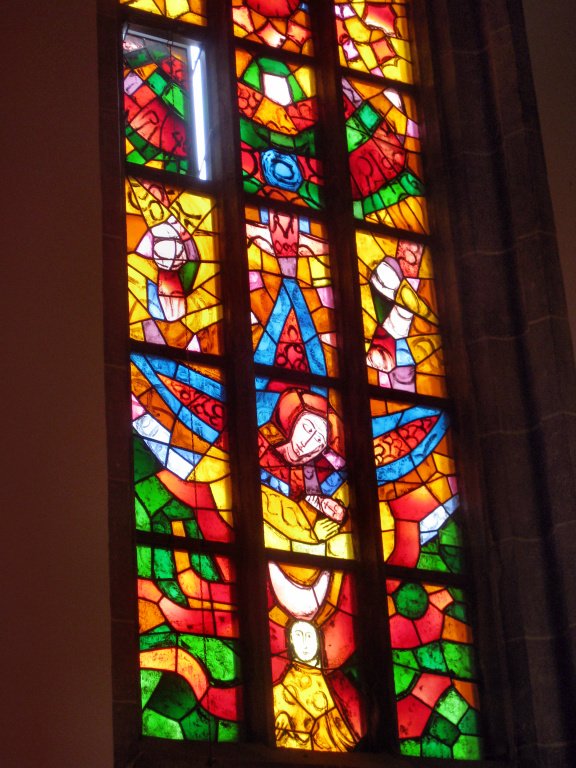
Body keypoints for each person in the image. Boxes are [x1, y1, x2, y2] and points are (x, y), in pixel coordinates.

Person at [258, 389, 350, 557]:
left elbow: (309, 501)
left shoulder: (309, 475)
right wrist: (308, 533)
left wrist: (325, 509)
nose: (308, 442)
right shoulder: (260, 446)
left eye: (319, 440)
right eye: (307, 428)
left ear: (322, 448)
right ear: (293, 421)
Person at [273, 620, 357, 751]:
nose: (304, 643)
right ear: (291, 641)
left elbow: (342, 739)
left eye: (309, 636)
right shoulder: (279, 692)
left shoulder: (325, 686)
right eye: (298, 635)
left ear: (318, 641)